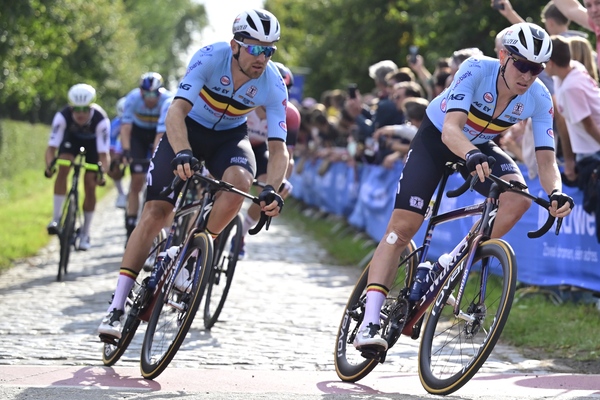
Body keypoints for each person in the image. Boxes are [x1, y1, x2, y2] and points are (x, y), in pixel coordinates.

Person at [353, 22, 575, 351]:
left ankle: (447, 263)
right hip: (438, 138)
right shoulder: (475, 69)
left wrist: (555, 191)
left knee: (519, 198)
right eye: (522, 65)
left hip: (481, 144)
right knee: (402, 228)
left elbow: (546, 160)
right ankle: (369, 322)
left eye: (537, 69)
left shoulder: (540, 98)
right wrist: (469, 154)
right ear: (503, 56)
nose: (528, 76)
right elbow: (451, 130)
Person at [98, 8, 289, 339]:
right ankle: (116, 307)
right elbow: (176, 111)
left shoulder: (272, 84)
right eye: (256, 48)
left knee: (240, 184)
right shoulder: (210, 57)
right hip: (187, 130)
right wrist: (183, 151)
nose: (262, 57)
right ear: (236, 45)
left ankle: (190, 254)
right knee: (156, 213)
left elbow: (279, 149)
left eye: (269, 50)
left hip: (229, 138)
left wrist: (271, 189)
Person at [236, 61, 301, 258]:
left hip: (263, 150)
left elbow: (287, 155)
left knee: (270, 188)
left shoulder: (291, 115)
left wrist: (282, 181)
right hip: (238, 143)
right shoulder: (246, 101)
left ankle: (242, 233)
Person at [545, 35, 600, 240]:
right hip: (588, 150)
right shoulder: (568, 71)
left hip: (594, 151)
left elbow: (590, 127)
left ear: (551, 63)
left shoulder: (570, 88)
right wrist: (569, 160)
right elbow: (562, 121)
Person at [44, 83, 109, 251]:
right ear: (71, 107)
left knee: (90, 182)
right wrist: (50, 167)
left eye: (84, 110)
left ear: (91, 107)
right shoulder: (62, 116)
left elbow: (103, 155)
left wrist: (103, 174)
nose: (80, 114)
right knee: (63, 165)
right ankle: (56, 218)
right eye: (76, 109)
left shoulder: (101, 120)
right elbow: (51, 148)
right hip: (71, 140)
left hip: (93, 145)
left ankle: (85, 233)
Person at [120, 72, 173, 243]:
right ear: (141, 92)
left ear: (160, 92)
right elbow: (126, 127)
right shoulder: (132, 98)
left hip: (158, 133)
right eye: (147, 94)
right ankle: (130, 223)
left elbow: (162, 134)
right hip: (139, 136)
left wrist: (158, 159)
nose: (150, 98)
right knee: (137, 180)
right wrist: (127, 150)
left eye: (154, 94)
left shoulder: (167, 100)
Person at [553, 0, 600, 70]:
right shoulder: (597, 25)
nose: (594, 10)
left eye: (598, 3)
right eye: (588, 6)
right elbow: (570, 8)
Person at [107, 97, 127, 209]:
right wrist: (114, 156)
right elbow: (111, 139)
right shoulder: (116, 123)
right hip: (120, 148)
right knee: (113, 166)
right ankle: (121, 193)